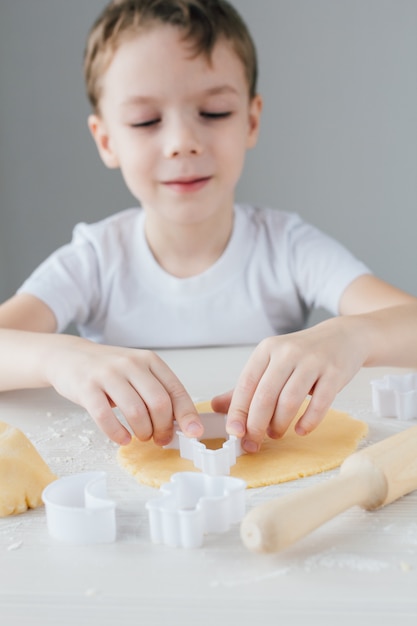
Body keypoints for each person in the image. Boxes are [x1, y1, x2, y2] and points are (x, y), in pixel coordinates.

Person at [0, 0, 416, 455]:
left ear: (251, 120)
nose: (183, 143)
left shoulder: (288, 247)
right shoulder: (94, 259)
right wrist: (59, 356)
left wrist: (352, 336)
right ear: (106, 139)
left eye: (214, 112)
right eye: (146, 120)